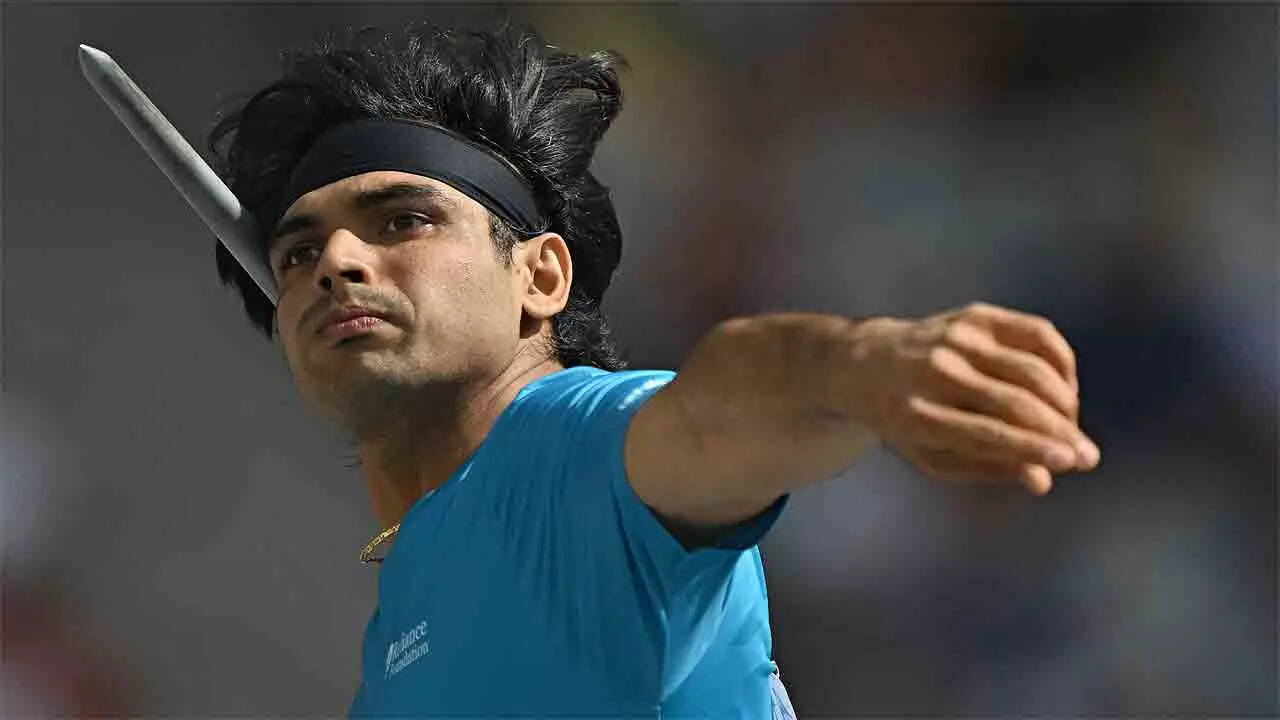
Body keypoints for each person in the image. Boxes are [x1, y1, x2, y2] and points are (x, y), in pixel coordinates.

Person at [206, 22, 1100, 717]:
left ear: (539, 277)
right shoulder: (403, 616)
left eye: (403, 220)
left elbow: (713, 407)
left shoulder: (567, 449)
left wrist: (855, 365)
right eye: (299, 253)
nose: (337, 263)